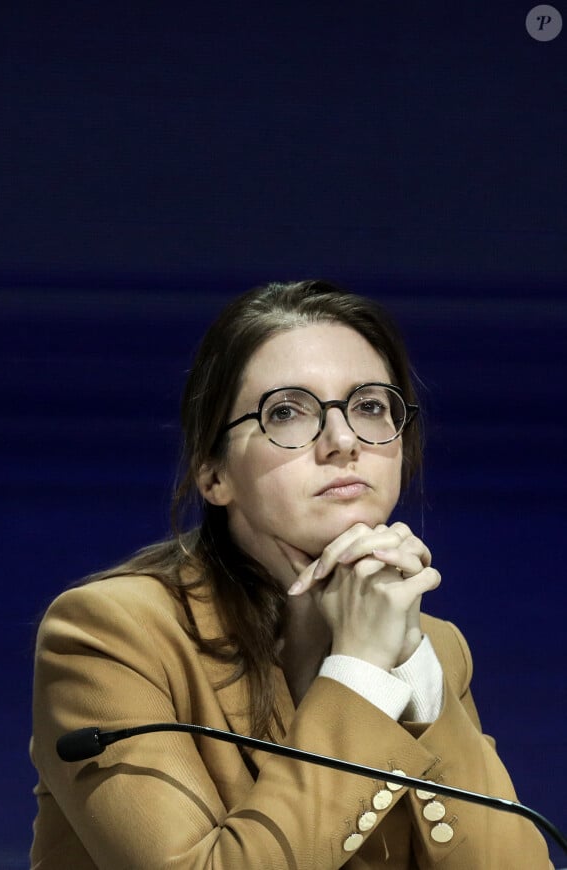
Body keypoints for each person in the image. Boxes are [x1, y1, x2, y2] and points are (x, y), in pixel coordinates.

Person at [30, 279, 552, 869]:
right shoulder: (110, 634)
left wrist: (407, 664)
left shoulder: (437, 647)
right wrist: (359, 672)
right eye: (286, 411)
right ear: (213, 475)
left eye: (370, 406)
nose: (343, 440)